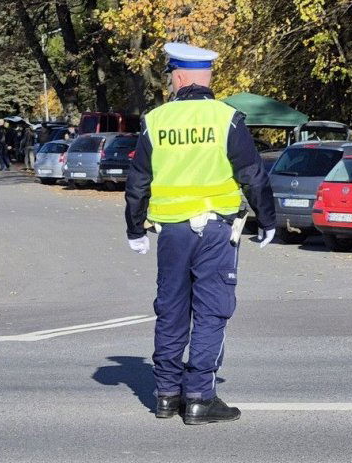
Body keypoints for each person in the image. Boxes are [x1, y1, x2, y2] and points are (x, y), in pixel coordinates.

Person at [124, 43, 276, 425]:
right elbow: (252, 174)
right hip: (215, 231)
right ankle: (199, 398)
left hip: (171, 233)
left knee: (171, 310)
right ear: (207, 76)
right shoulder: (226, 118)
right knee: (211, 312)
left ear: (177, 77)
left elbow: (138, 181)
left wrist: (134, 228)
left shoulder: (155, 121)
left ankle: (165, 396)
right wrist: (268, 219)